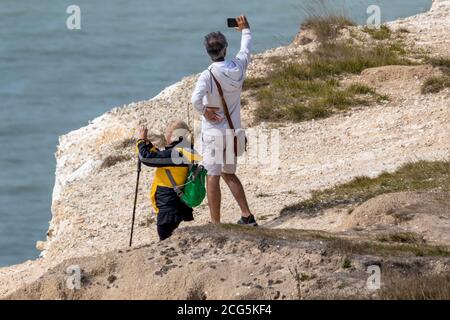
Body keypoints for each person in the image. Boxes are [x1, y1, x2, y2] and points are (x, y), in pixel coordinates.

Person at [191, 15, 257, 226]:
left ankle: (216, 223)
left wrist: (204, 111)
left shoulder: (207, 75)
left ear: (207, 51)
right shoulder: (237, 68)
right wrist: (245, 30)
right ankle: (247, 216)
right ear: (225, 48)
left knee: (213, 176)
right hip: (233, 132)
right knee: (230, 173)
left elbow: (194, 100)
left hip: (213, 134)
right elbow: (245, 50)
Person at [136, 120, 200, 240]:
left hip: (169, 208)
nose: (166, 137)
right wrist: (148, 145)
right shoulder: (185, 150)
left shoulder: (178, 154)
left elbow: (147, 158)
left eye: (168, 134)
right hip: (175, 204)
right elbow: (161, 156)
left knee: (165, 237)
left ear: (173, 136)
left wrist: (140, 141)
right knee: (169, 237)